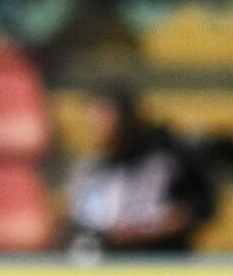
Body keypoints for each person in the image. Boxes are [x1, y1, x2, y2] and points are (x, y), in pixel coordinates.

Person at [65, 93, 215, 254]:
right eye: (94, 120)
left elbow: (198, 209)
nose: (99, 127)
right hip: (107, 266)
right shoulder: (89, 169)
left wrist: (143, 230)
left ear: (128, 119)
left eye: (106, 117)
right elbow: (81, 222)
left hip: (160, 262)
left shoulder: (169, 162)